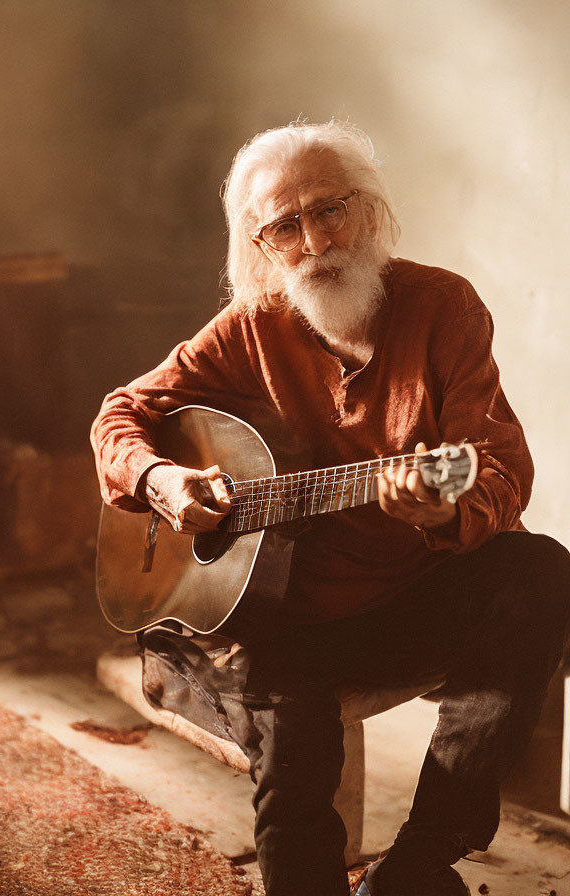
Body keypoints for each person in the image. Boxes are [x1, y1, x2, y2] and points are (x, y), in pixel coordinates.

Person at [91, 120, 570, 896]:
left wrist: (441, 513)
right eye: (284, 224)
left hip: (410, 595)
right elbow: (121, 413)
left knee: (541, 570)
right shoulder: (251, 325)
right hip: (291, 613)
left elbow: (501, 471)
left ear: (369, 211)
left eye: (329, 209)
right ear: (260, 245)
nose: (313, 240)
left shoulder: (444, 307)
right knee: (294, 755)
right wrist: (161, 482)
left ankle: (421, 858)